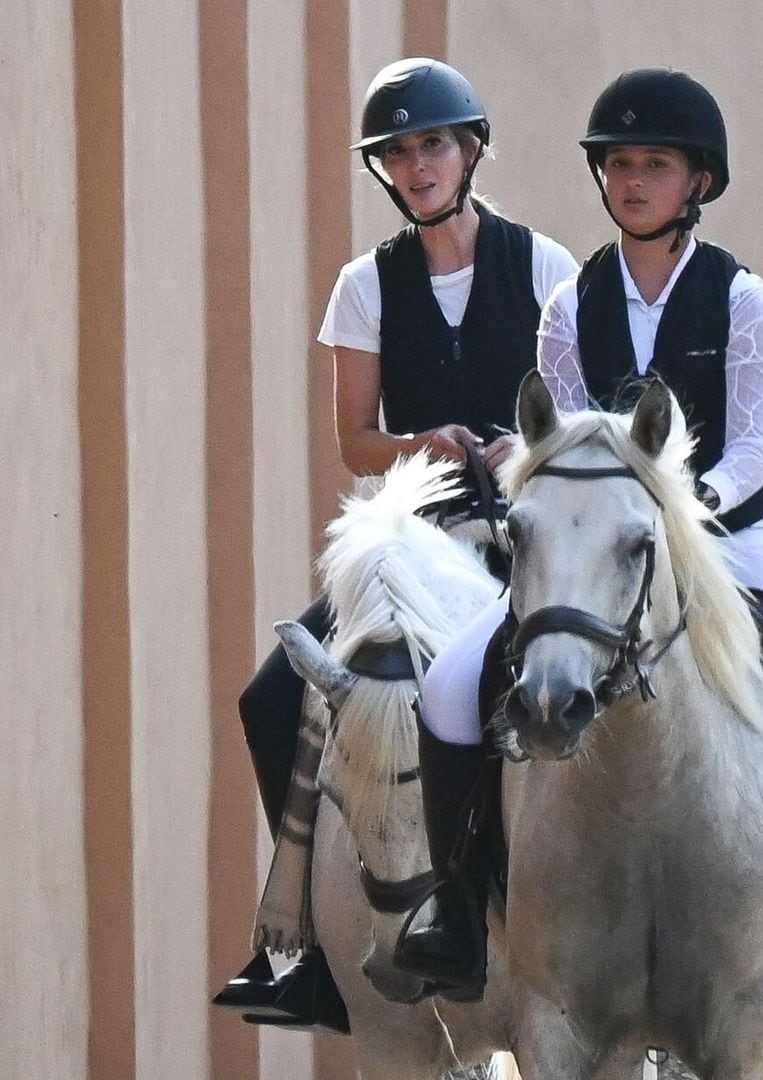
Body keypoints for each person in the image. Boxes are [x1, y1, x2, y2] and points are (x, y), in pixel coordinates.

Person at [396, 67, 763, 1000]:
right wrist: (594, 514)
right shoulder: (569, 307)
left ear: (698, 181)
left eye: (654, 164)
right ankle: (452, 908)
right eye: (618, 164)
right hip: (593, 555)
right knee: (455, 687)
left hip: (736, 538)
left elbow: (746, 449)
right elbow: (558, 444)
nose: (631, 180)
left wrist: (670, 511)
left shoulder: (740, 298)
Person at [213, 56, 577, 1026]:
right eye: (398, 153)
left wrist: (520, 449)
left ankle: (618, 923)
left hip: (521, 535)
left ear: (469, 152)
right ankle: (297, 936)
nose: (416, 165)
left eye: (432, 145)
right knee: (276, 693)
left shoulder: (545, 268)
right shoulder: (362, 287)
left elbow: (577, 421)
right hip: (412, 543)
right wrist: (424, 443)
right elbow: (354, 441)